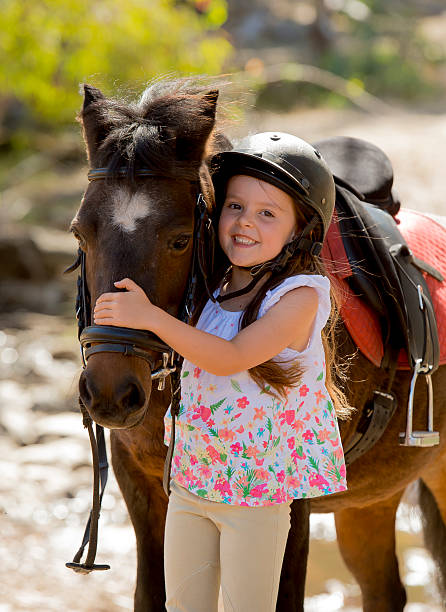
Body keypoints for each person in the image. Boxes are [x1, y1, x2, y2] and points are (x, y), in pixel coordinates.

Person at [93, 132, 351, 612]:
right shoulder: (214, 287)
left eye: (267, 213)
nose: (245, 223)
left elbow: (230, 357)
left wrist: (151, 317)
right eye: (235, 206)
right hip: (192, 485)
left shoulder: (298, 297)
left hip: (256, 495)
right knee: (183, 605)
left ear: (300, 230)